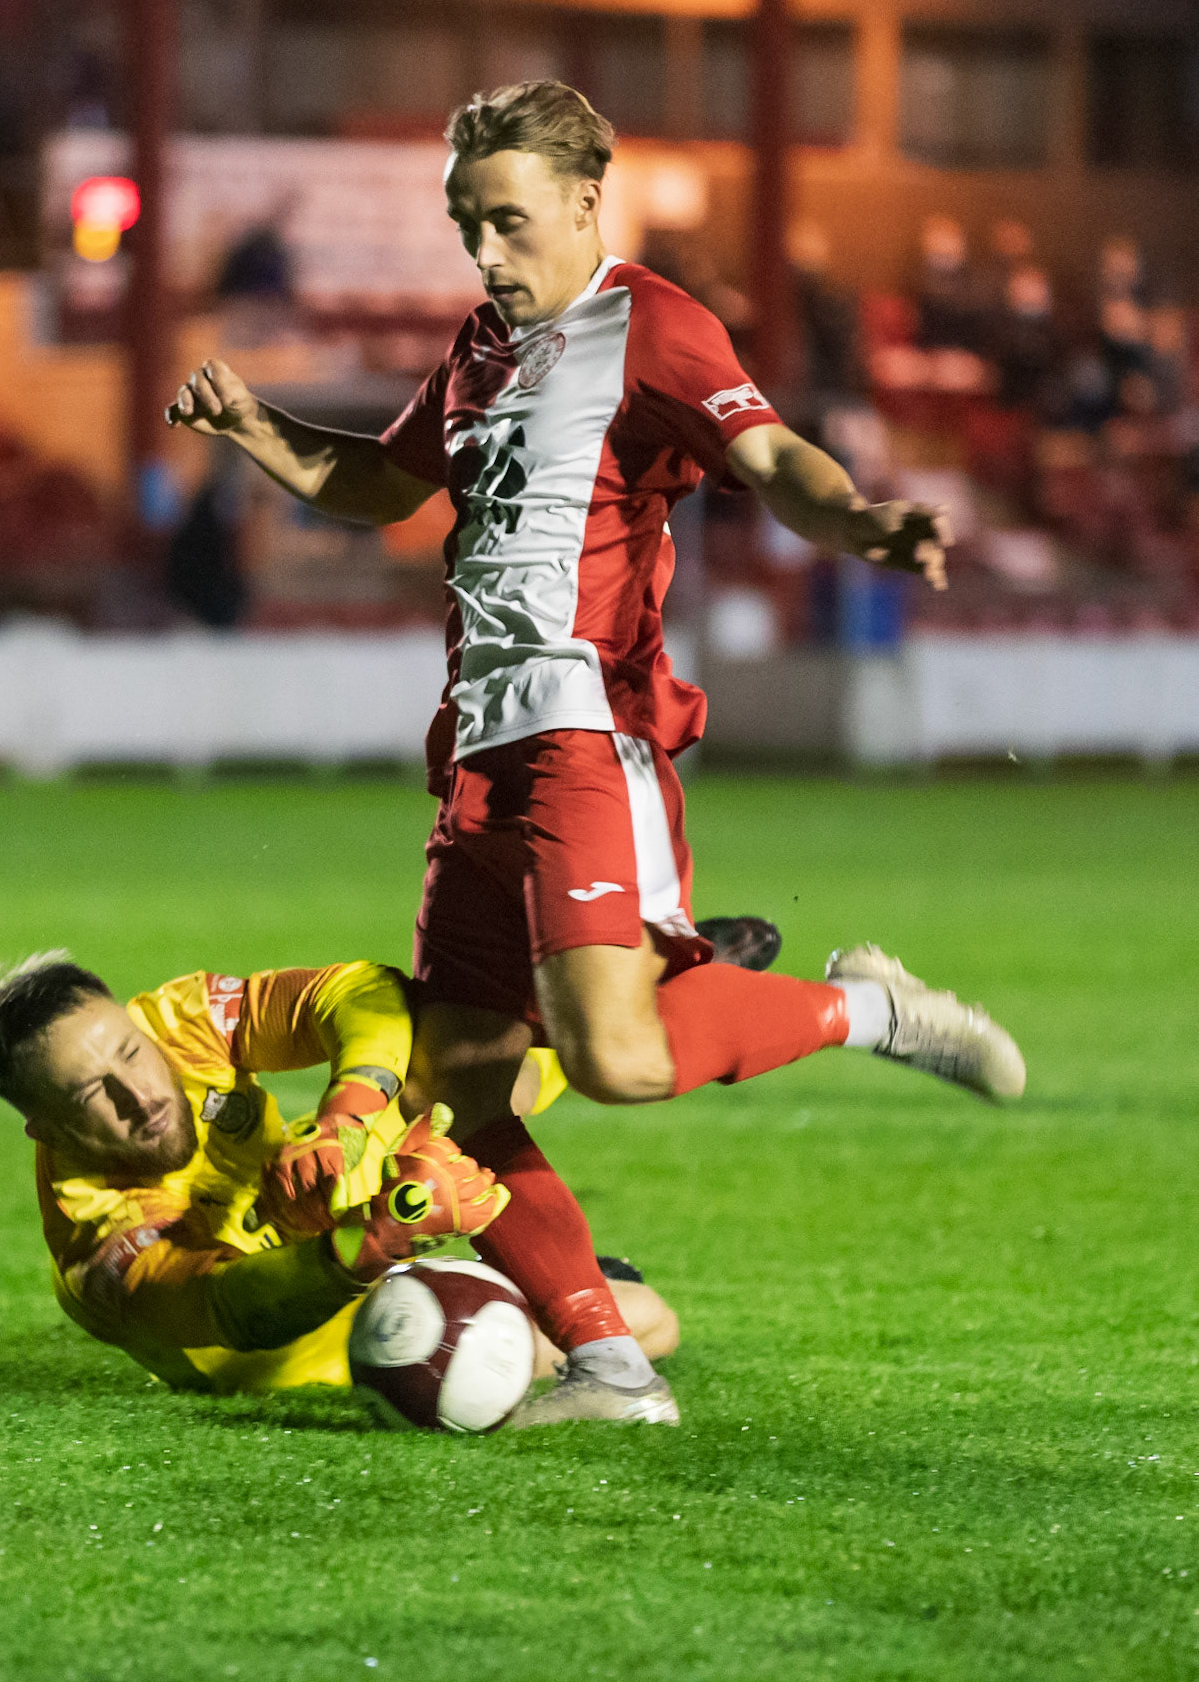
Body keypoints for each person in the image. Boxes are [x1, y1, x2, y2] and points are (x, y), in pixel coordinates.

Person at [167, 81, 1022, 1426]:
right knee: (457, 1083)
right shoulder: (475, 349)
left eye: (507, 223)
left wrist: (860, 524)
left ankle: (869, 1007)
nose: (487, 256)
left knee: (615, 1060)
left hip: (583, 734)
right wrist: (254, 426)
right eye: (468, 228)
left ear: (582, 201)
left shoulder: (653, 323)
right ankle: (613, 1372)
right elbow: (382, 484)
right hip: (479, 752)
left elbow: (775, 452)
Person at [0, 951, 678, 1404]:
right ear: (47, 1131)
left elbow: (356, 993)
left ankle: (619, 998)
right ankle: (519, 1284)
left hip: (308, 1188)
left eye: (129, 1054)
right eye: (91, 1096)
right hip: (290, 1345)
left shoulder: (177, 1021)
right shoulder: (101, 1242)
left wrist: (347, 1114)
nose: (137, 1094)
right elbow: (234, 1307)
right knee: (646, 1318)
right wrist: (369, 1241)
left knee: (451, 1067)